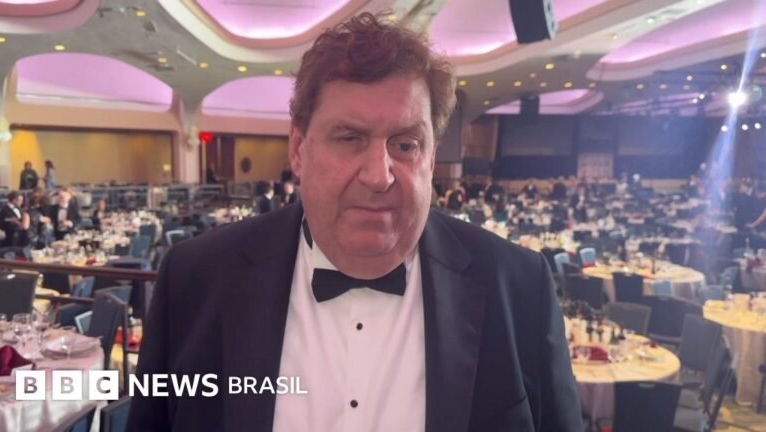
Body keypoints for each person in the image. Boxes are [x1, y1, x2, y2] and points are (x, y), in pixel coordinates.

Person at [129, 13, 581, 432]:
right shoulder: (195, 279)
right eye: (349, 138)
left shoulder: (519, 286)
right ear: (299, 149)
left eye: (405, 144)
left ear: (430, 158)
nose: (378, 176)